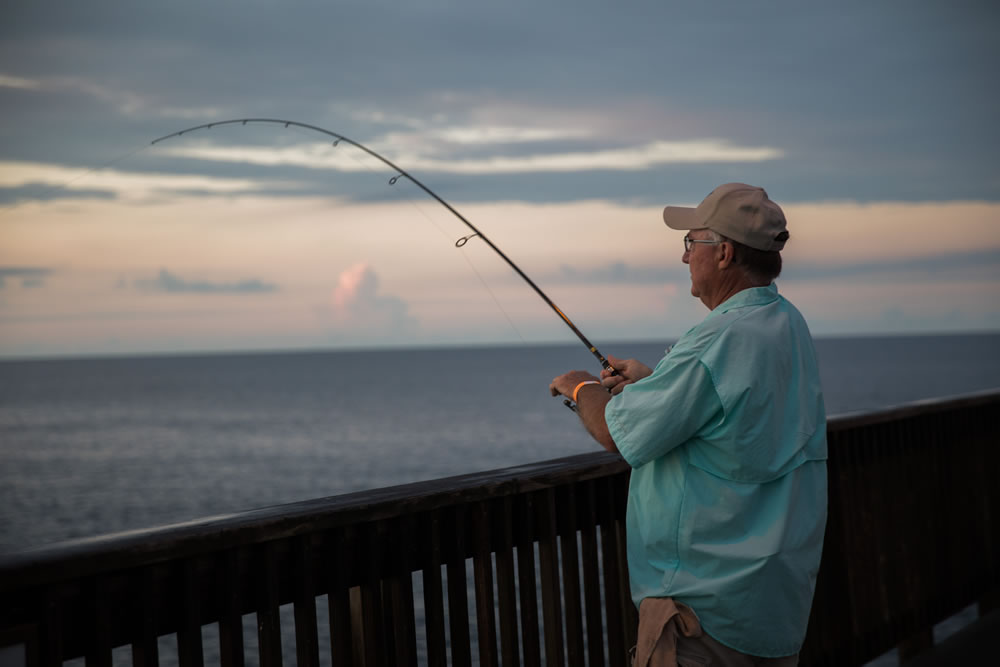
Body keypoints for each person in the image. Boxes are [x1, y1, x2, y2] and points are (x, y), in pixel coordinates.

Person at [549, 183, 827, 666]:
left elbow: (617, 432)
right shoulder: (785, 323)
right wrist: (655, 384)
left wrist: (579, 387)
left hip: (702, 611)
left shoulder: (716, 340)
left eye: (690, 244)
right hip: (771, 602)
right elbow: (737, 418)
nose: (684, 258)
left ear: (722, 253)